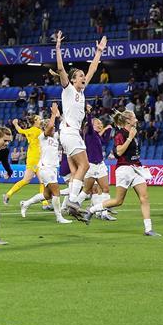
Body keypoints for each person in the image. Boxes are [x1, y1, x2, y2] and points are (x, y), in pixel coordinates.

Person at [54, 30, 108, 218]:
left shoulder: (82, 92)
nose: (85, 76)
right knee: (84, 167)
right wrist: (58, 48)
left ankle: (72, 201)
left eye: (84, 75)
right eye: (81, 75)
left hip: (72, 134)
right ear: (73, 79)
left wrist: (99, 51)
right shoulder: (68, 89)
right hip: (69, 132)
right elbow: (61, 69)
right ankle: (72, 201)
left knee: (79, 169)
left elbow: (93, 69)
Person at [19, 103, 72, 224]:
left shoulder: (55, 137)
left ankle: (26, 203)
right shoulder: (42, 137)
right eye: (50, 127)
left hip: (52, 168)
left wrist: (59, 117)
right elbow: (50, 127)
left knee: (47, 195)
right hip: (45, 168)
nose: (53, 128)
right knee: (56, 191)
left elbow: (66, 127)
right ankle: (59, 217)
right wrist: (53, 115)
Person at [81, 105, 116, 221]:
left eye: (101, 124)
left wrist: (109, 129)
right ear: (92, 125)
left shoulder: (96, 136)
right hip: (90, 166)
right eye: (98, 124)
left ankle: (103, 213)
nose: (101, 125)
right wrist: (89, 113)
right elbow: (90, 124)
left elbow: (105, 141)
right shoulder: (90, 133)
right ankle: (72, 206)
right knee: (86, 191)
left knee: (105, 189)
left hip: (100, 165)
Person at [3, 115, 44, 205]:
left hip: (34, 158)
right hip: (35, 159)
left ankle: (45, 203)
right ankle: (7, 195)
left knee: (42, 181)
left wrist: (15, 124)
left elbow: (20, 131)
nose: (40, 120)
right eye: (39, 119)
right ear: (35, 121)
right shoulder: (38, 131)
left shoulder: (30, 131)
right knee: (27, 180)